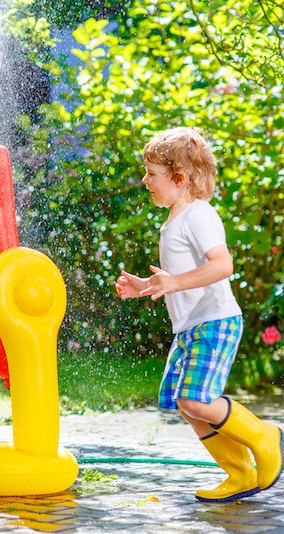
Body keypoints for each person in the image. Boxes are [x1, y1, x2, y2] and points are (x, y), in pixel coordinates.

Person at [115, 127, 283, 503]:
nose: (145, 181)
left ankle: (264, 436)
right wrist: (144, 286)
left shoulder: (198, 215)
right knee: (185, 403)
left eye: (152, 174)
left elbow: (222, 265)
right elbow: (178, 277)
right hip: (190, 328)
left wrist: (173, 283)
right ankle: (240, 473)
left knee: (195, 400)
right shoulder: (175, 219)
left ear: (180, 178)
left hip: (215, 322)